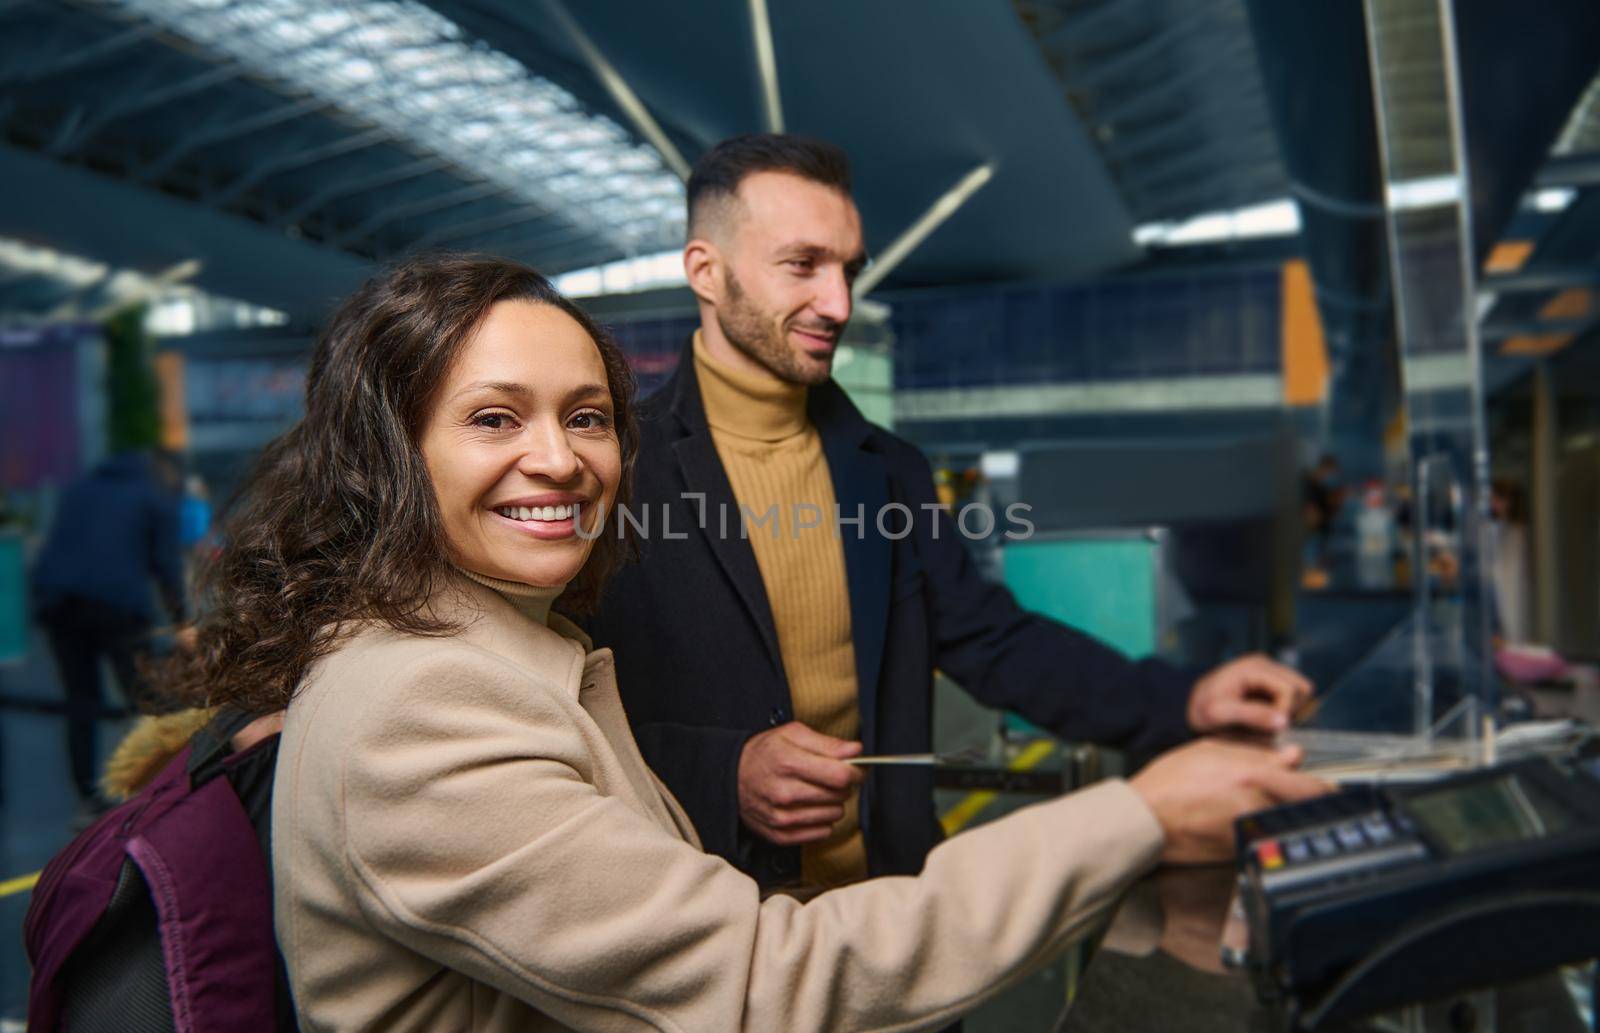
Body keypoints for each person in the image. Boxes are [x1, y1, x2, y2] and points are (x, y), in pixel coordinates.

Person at [164, 254, 1324, 1032]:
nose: (562, 460)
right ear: (708, 273)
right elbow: (761, 979)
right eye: (491, 418)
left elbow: (989, 636)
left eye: (585, 416)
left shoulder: (873, 470)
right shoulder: (421, 699)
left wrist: (1176, 712)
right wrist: (1139, 815)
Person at [588, 134, 1315, 892]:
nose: (838, 303)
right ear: (707, 270)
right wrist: (718, 770)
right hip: (709, 923)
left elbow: (994, 642)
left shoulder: (890, 473)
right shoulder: (617, 476)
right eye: (803, 265)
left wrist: (1183, 698)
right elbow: (559, 710)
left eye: (848, 270)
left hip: (897, 910)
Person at [31, 448, 188, 813]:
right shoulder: (155, 494)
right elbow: (167, 567)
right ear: (165, 471)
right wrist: (181, 622)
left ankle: (88, 797)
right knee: (146, 699)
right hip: (119, 605)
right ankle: (154, 791)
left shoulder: (80, 488)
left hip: (60, 603)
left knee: (80, 700)